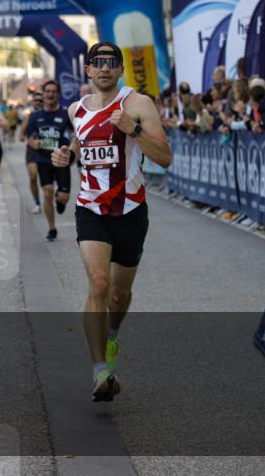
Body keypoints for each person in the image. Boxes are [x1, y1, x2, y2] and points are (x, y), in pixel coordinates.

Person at [51, 41, 171, 402]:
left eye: (111, 63)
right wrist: (67, 154)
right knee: (98, 284)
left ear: (120, 70)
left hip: (131, 211)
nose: (104, 68)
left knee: (119, 294)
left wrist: (133, 130)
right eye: (97, 63)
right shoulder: (77, 109)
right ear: (87, 71)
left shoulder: (138, 104)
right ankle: (99, 370)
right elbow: (81, 138)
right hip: (90, 209)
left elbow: (165, 157)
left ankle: (113, 334)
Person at [24, 79, 72, 242]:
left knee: (63, 197)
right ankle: (52, 228)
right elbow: (29, 137)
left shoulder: (66, 114)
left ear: (58, 94)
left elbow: (77, 136)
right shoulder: (35, 116)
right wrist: (33, 143)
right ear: (43, 94)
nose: (50, 94)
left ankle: (61, 199)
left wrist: (71, 150)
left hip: (61, 160)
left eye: (53, 91)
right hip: (43, 159)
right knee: (47, 192)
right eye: (47, 91)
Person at [18, 91, 44, 214]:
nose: (38, 102)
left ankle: (51, 195)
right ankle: (37, 202)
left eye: (41, 100)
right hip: (32, 150)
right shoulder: (29, 116)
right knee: (33, 177)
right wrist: (26, 138)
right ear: (33, 102)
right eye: (36, 100)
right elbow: (21, 135)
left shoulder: (49, 114)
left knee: (48, 179)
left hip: (48, 151)